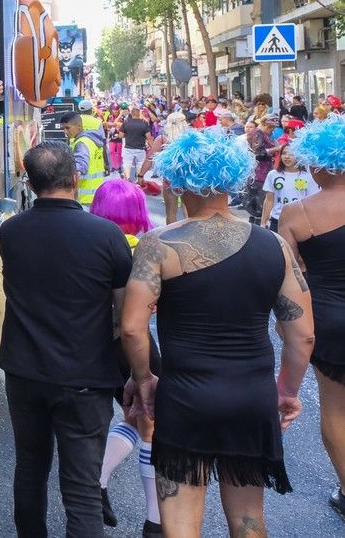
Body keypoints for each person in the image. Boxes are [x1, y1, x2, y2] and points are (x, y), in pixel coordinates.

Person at [121, 129, 315, 538]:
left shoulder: (158, 245)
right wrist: (286, 390)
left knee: (180, 522)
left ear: (176, 180)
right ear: (232, 179)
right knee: (249, 521)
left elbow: (133, 328)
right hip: (250, 396)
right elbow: (302, 335)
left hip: (186, 396)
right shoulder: (274, 245)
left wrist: (143, 381)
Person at [0, 142, 133, 537]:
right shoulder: (107, 236)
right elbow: (125, 318)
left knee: (30, 468)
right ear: (75, 179)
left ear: (29, 180)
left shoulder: (12, 231)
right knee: (82, 489)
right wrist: (138, 374)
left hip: (25, 372)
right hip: (86, 376)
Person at [279, 116, 345, 519]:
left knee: (336, 408)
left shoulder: (297, 212)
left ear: (321, 163)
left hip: (330, 319)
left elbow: (290, 276)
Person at [89, 179, 162, 536]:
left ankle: (98, 481)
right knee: (150, 419)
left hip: (93, 344)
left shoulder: (90, 243)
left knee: (131, 416)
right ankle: (155, 518)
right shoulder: (147, 250)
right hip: (134, 345)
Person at [259, 148, 319, 234]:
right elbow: (269, 200)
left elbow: (312, 202)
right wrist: (263, 223)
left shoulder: (308, 176)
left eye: (291, 154)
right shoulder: (273, 174)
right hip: (277, 220)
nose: (286, 157)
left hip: (299, 221)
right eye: (284, 153)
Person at [60, 110, 107, 206]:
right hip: (96, 193)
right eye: (63, 128)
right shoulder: (92, 139)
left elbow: (81, 167)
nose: (65, 132)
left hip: (85, 198)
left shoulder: (81, 143)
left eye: (68, 128)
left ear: (79, 127)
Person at [120, 106, 152, 183]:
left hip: (128, 148)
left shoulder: (126, 123)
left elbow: (120, 135)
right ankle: (138, 180)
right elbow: (149, 137)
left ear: (131, 114)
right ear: (139, 114)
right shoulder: (144, 123)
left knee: (127, 163)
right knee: (140, 164)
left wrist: (127, 134)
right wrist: (153, 147)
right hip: (140, 148)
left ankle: (127, 178)